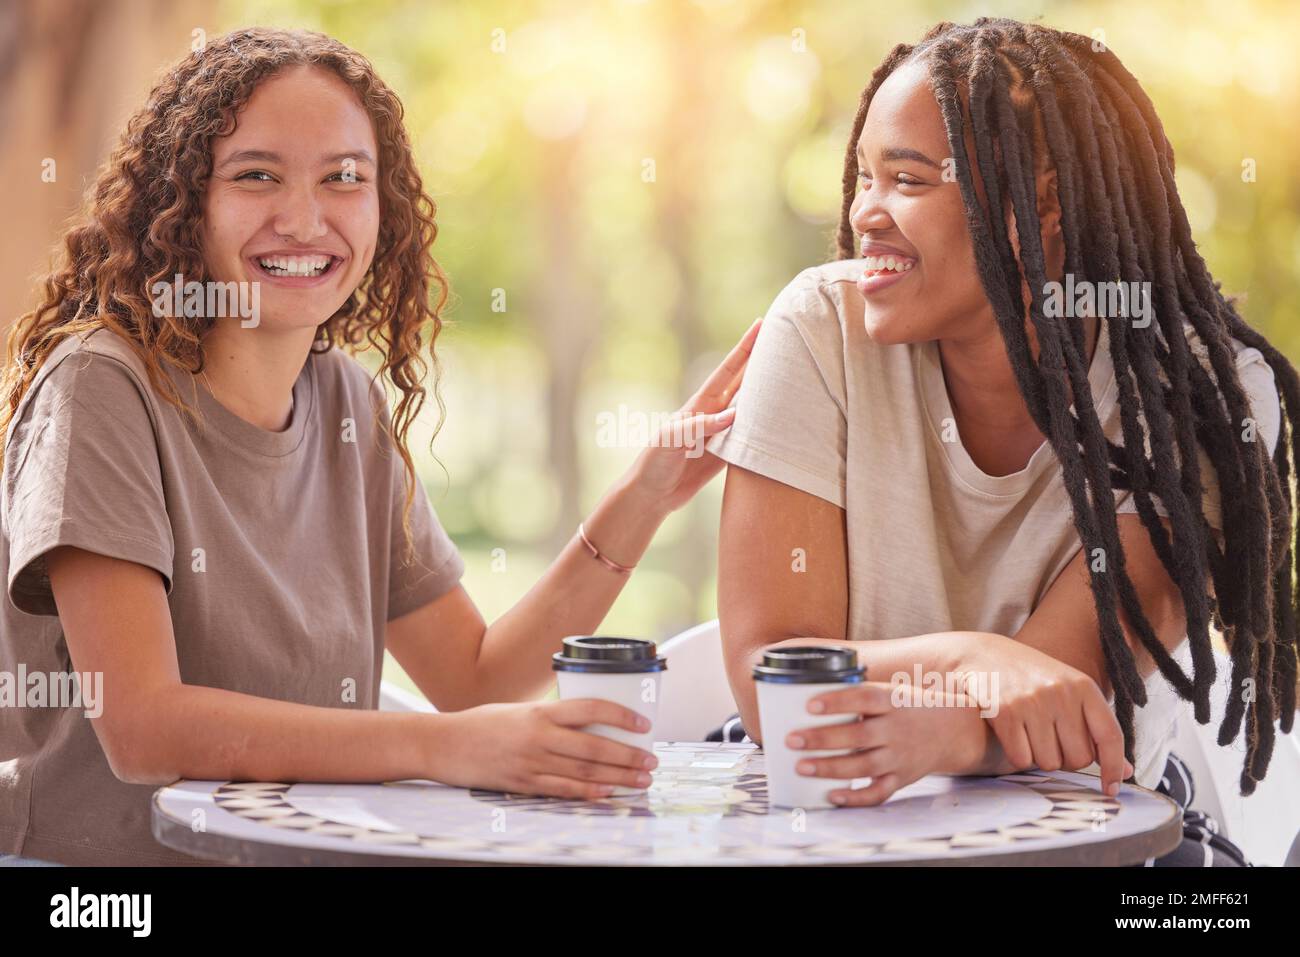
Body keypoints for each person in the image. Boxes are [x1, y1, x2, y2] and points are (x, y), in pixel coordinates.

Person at [0, 27, 758, 866]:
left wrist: (645, 494)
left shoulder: (344, 399)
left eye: (344, 179)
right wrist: (447, 746)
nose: (303, 218)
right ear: (181, 202)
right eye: (257, 175)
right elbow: (144, 727)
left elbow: (473, 678)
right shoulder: (101, 387)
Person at [709, 18, 1297, 866]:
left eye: (906, 180)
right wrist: (969, 657)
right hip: (822, 802)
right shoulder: (818, 329)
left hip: (1093, 820)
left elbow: (1073, 691)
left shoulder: (1204, 393)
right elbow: (775, 687)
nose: (863, 212)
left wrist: (946, 731)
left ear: (1043, 206)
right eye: (863, 176)